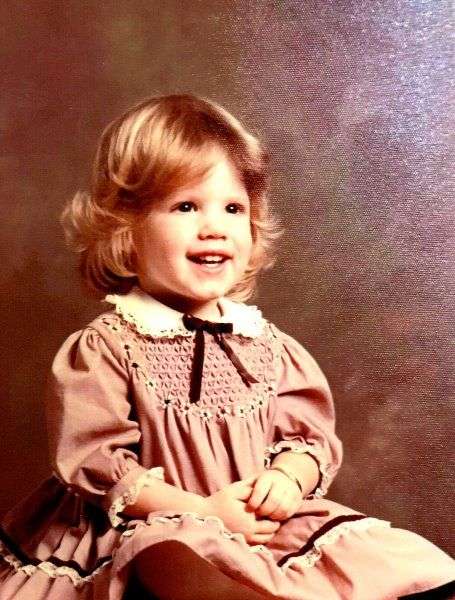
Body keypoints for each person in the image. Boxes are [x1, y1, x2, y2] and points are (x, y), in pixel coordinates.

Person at [0, 94, 453, 600]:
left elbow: (307, 440)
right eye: (186, 207)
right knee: (170, 551)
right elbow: (97, 463)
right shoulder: (109, 346)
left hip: (254, 525)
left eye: (233, 208)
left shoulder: (270, 348)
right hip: (153, 521)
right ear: (126, 228)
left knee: (405, 561)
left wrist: (286, 480)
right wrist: (203, 512)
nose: (214, 227)